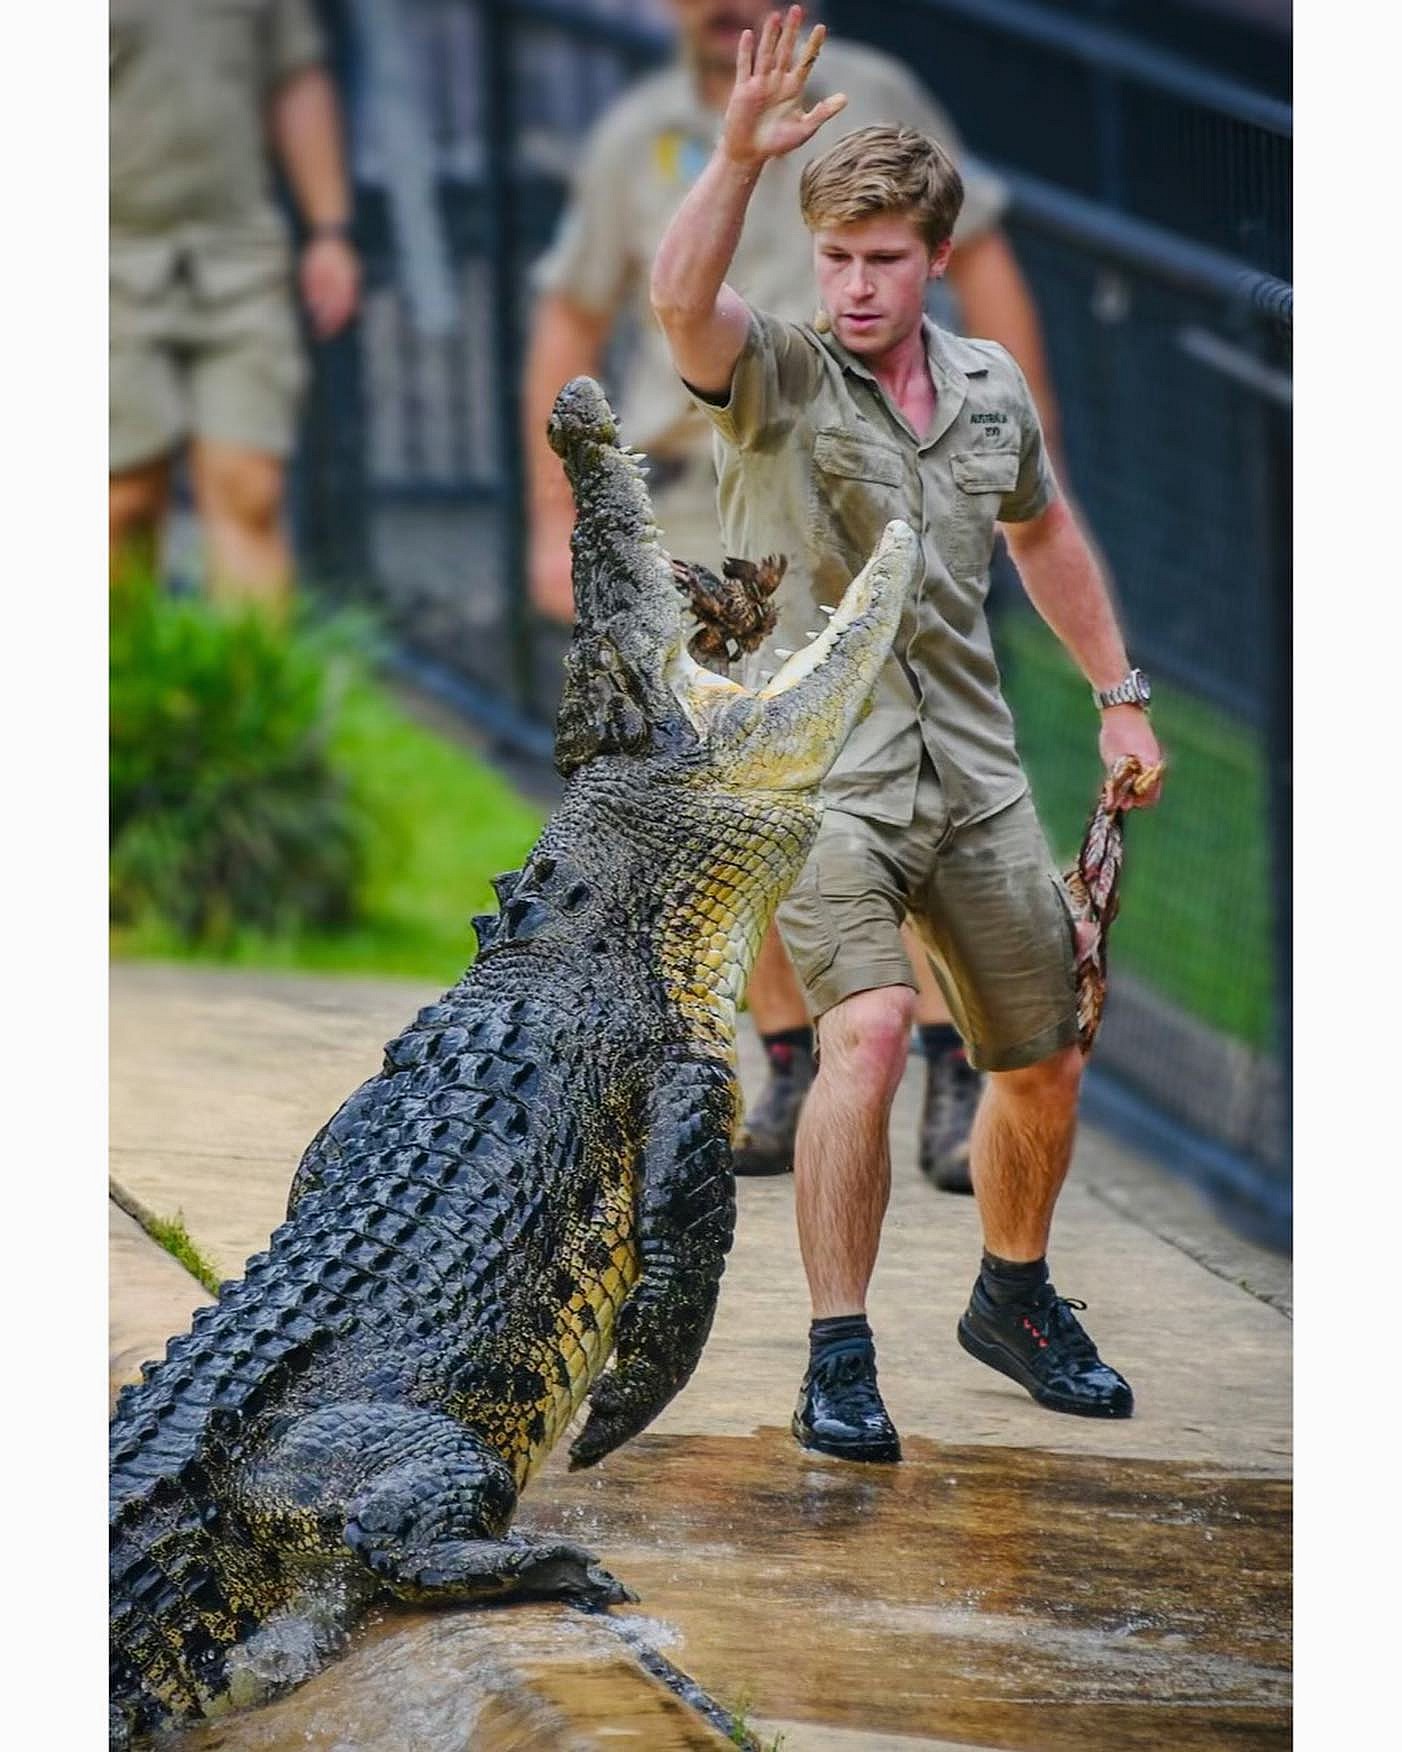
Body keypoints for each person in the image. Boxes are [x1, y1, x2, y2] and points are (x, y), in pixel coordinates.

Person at [650, 7, 1164, 1461]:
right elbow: (681, 307)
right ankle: (836, 1353)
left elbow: (1045, 537)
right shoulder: (780, 375)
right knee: (864, 1035)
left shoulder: (990, 385)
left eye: (883, 259)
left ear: (930, 256)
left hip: (974, 770)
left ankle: (1010, 1299)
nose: (856, 284)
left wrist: (1116, 690)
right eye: (836, 258)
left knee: (1042, 1055)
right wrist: (739, 165)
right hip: (819, 777)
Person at [524, 0, 1064, 1191]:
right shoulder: (635, 131)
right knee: (742, 801)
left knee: (913, 778)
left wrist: (1030, 456)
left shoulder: (884, 89)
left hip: (876, 496)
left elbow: (985, 263)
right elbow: (582, 308)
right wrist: (551, 514)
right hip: (695, 503)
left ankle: (943, 1058)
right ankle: (790, 1056)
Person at [109, 0, 360, 608]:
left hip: (239, 252)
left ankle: (248, 702)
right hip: (104, 254)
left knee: (251, 490)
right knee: (121, 500)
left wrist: (329, 231)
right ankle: (116, 699)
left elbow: (295, 75)